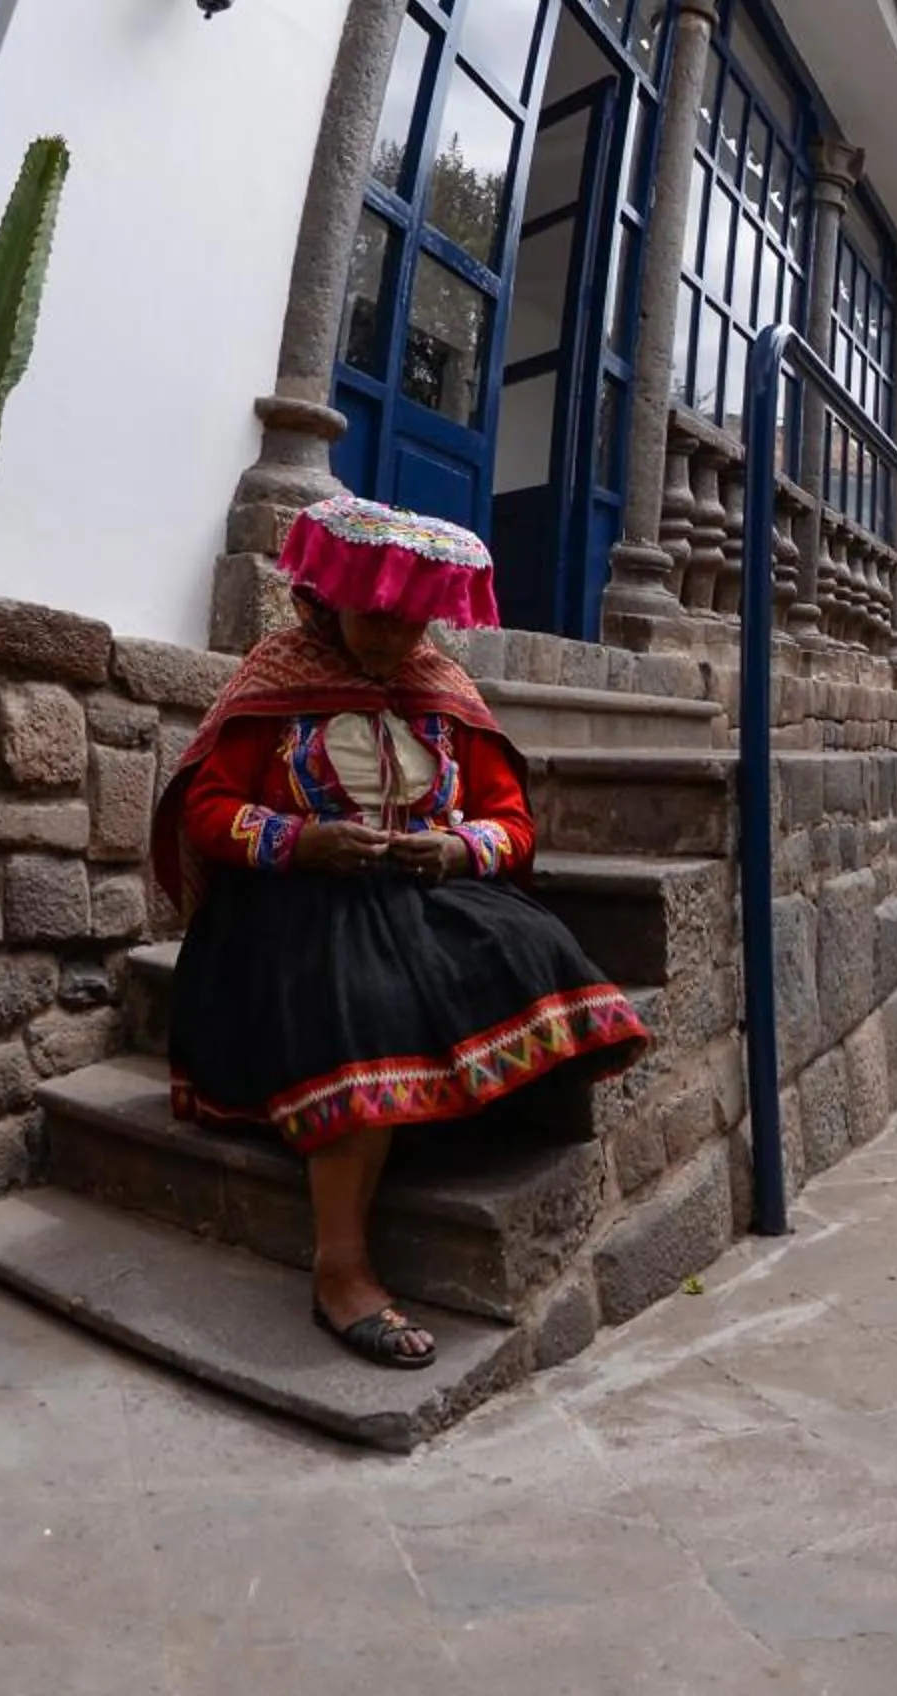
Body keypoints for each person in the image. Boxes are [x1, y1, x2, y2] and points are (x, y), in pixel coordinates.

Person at [150, 497, 650, 1368]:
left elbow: (513, 824)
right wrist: (303, 840)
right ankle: (340, 1267)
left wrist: (455, 852)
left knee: (531, 949)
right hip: (288, 901)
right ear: (332, 594)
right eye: (373, 614)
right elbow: (206, 812)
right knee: (361, 997)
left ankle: (442, 1111)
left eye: (408, 618)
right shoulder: (275, 678)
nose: (388, 636)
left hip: (418, 886)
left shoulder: (445, 692)